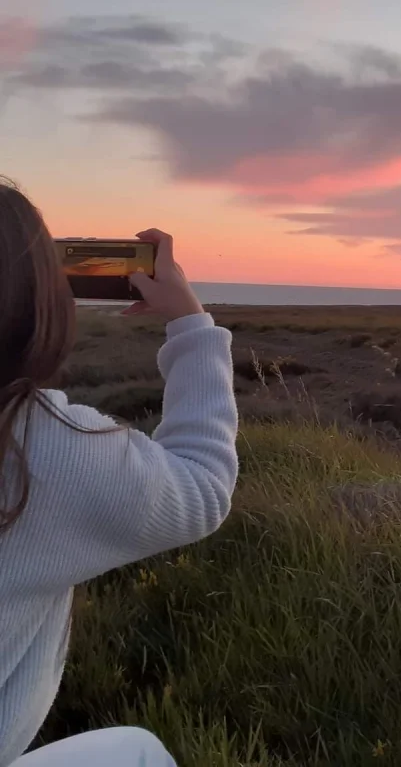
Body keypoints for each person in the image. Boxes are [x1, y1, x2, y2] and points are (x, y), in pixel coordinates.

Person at [0, 179, 239, 766]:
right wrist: (192, 326)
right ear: (38, 300)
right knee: (139, 754)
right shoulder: (44, 446)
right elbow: (202, 488)